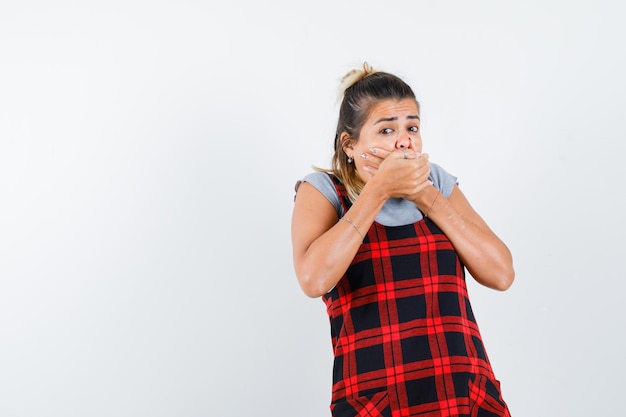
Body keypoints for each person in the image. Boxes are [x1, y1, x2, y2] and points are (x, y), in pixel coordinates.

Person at [291, 62, 515, 417]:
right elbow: (313, 279)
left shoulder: (436, 184)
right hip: (376, 403)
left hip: (463, 393)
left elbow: (501, 273)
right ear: (350, 144)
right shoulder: (323, 192)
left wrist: (425, 196)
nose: (403, 141)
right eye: (385, 130)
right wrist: (378, 189)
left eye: (412, 127)